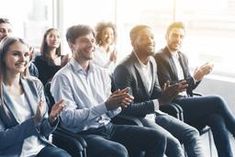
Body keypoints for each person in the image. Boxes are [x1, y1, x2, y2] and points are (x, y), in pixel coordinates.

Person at [50, 24, 167, 157]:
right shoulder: (62, 78)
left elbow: (110, 113)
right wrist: (105, 106)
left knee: (157, 138)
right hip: (84, 134)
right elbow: (68, 118)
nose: (91, 45)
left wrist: (118, 104)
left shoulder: (102, 73)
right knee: (119, 151)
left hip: (108, 128)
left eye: (92, 41)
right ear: (71, 45)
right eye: (85, 41)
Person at [112, 25, 205, 157]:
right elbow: (127, 108)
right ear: (133, 43)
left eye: (152, 37)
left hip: (154, 113)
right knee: (174, 144)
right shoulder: (124, 69)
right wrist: (161, 100)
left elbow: (156, 92)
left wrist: (169, 92)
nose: (150, 41)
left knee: (192, 133)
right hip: (138, 119)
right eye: (144, 38)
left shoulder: (152, 62)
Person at [155, 21, 235, 157]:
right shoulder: (159, 57)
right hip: (174, 105)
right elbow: (171, 87)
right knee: (217, 100)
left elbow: (189, 87)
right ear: (167, 36)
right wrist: (194, 78)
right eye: (175, 35)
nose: (178, 39)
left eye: (181, 37)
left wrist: (199, 77)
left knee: (216, 118)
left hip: (187, 102)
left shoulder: (182, 57)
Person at [0, 36, 70, 157]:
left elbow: (44, 130)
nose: (23, 59)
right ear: (2, 57)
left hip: (39, 148)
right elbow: (2, 140)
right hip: (12, 153)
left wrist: (51, 119)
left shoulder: (35, 84)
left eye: (26, 54)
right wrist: (34, 121)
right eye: (16, 54)